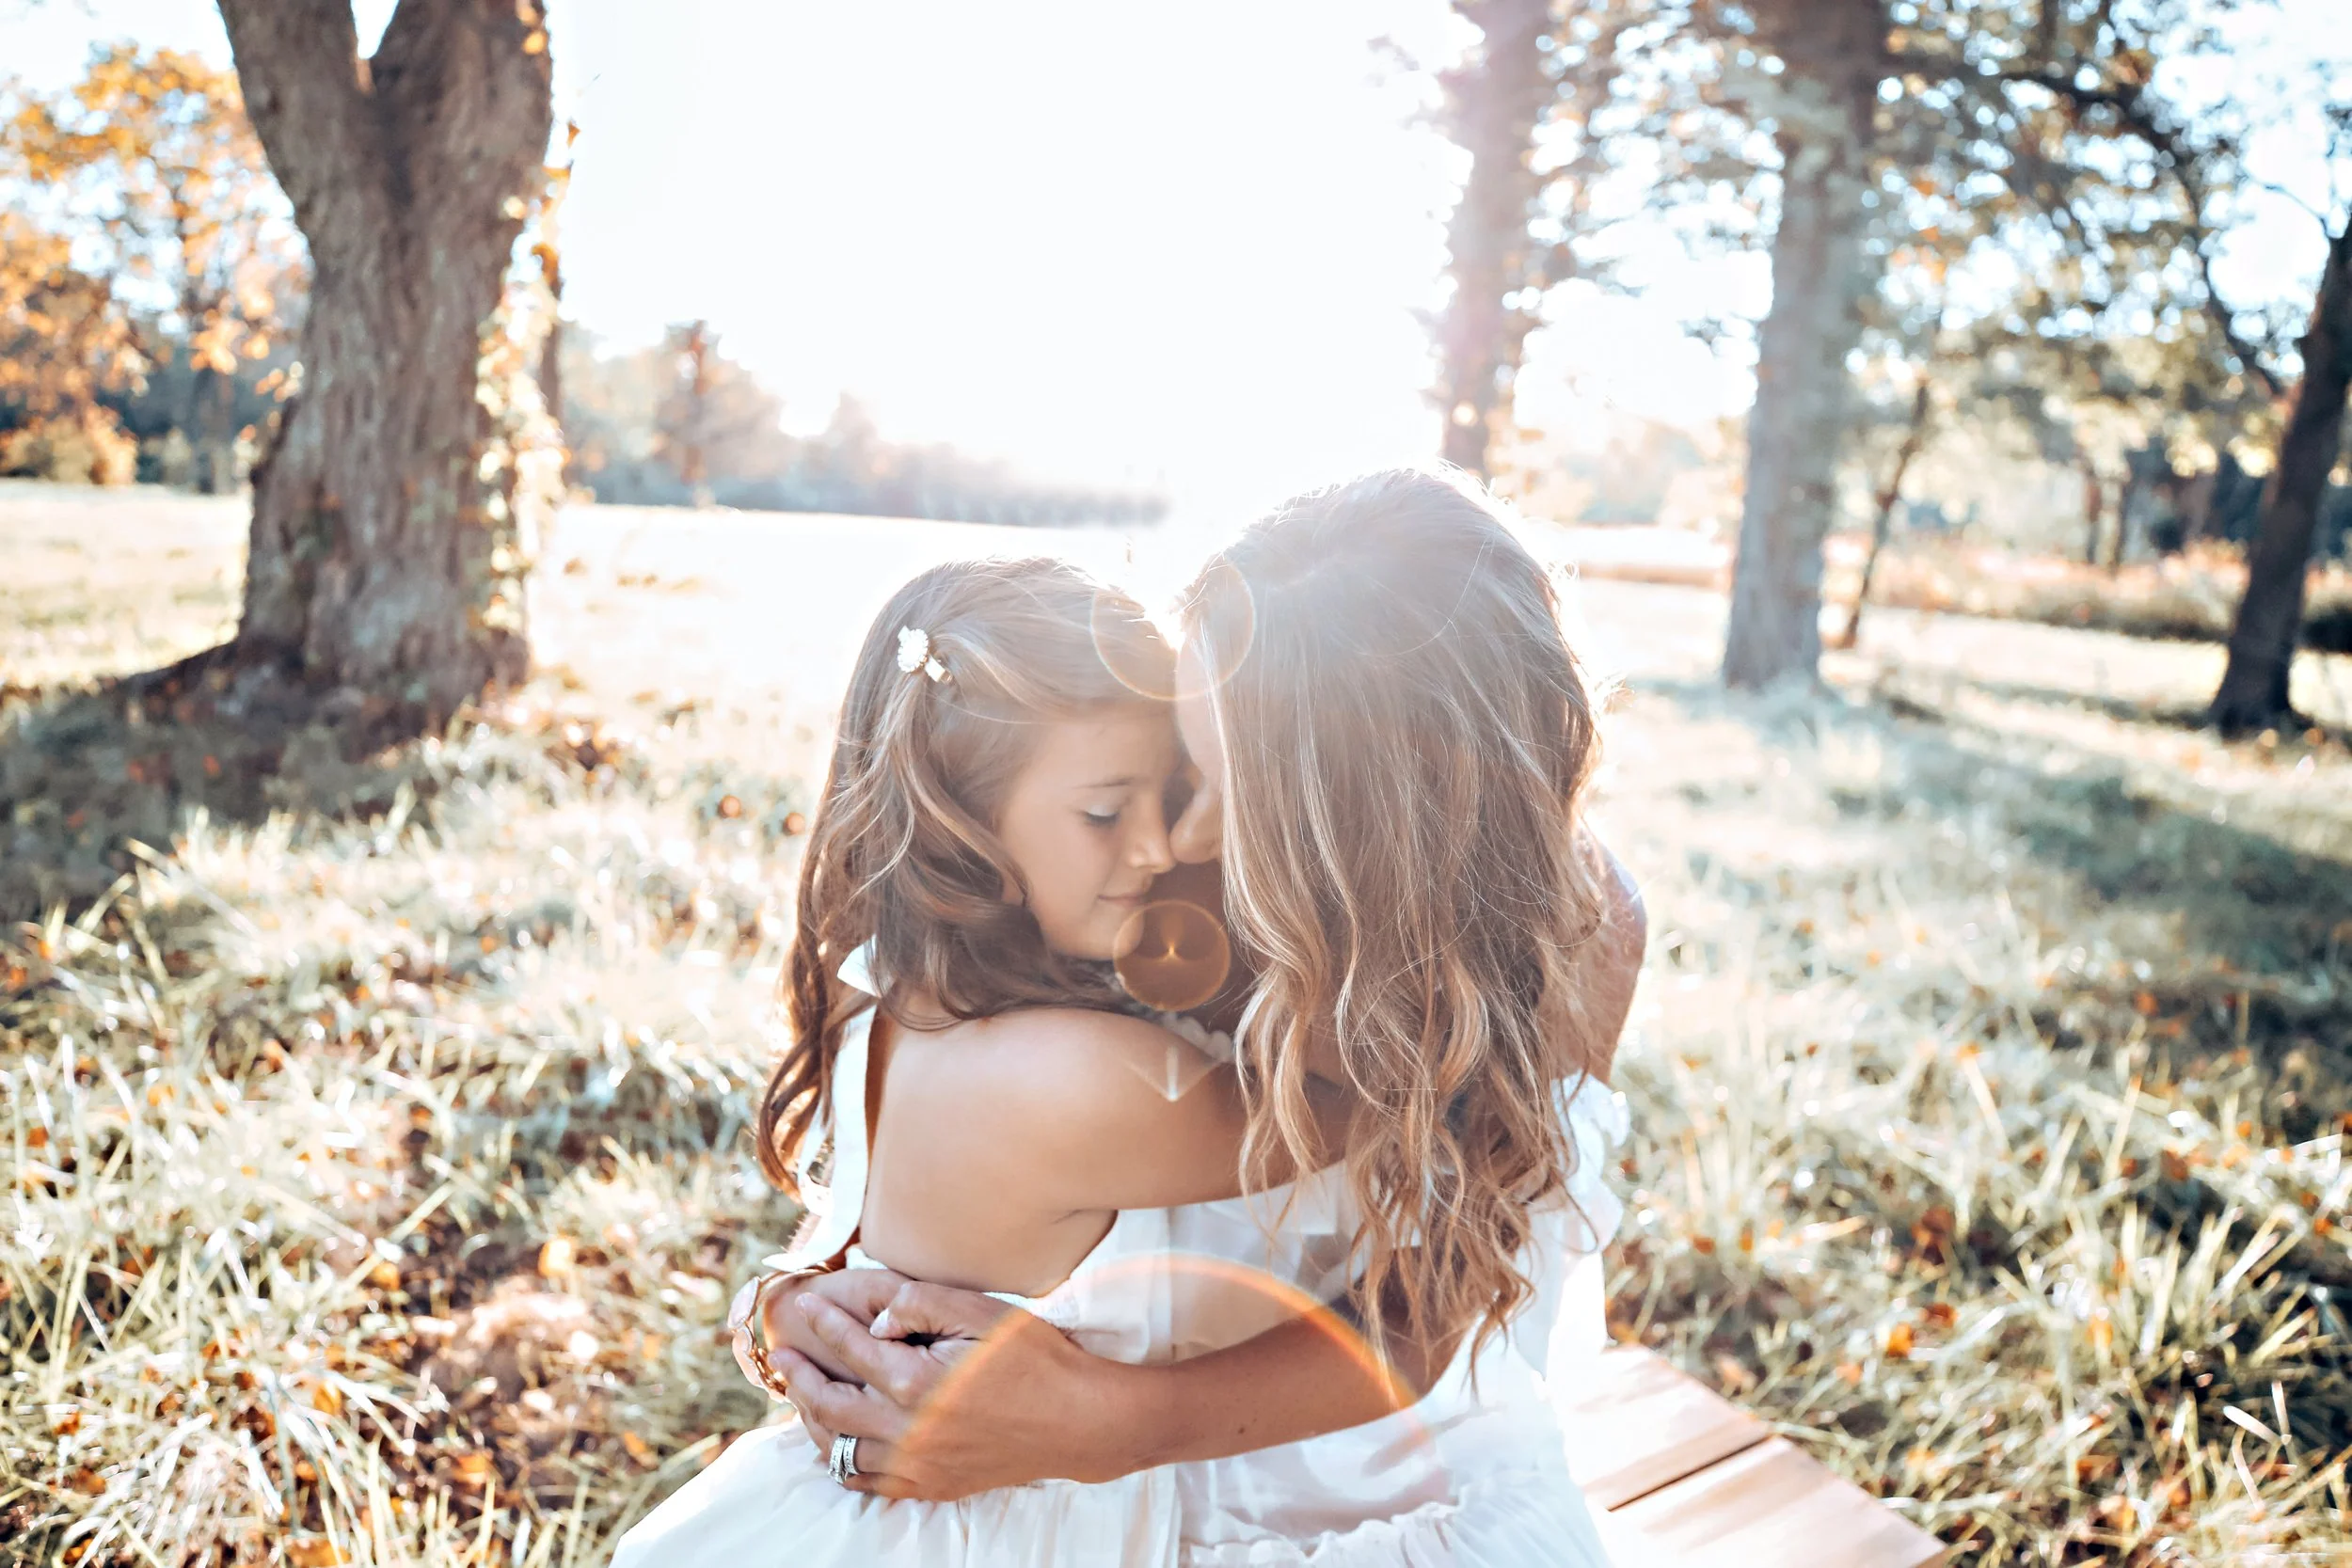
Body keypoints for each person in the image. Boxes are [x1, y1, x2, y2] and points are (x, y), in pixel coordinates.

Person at [759, 469, 1647, 1563]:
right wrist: (803, 1311)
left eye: (1228, 784)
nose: (1184, 837)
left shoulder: (1571, 937)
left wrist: (1102, 1421)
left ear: (1377, 813)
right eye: (1188, 763)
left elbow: (1446, 1299)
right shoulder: (1125, 900)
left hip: (1398, 1482)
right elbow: (940, 1140)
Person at [612, 555, 1359, 1565]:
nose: (1159, 844)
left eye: (1173, 788)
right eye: (1106, 811)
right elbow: (1357, 1113)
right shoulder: (1078, 1077)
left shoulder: (879, 991)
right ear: (958, 826)